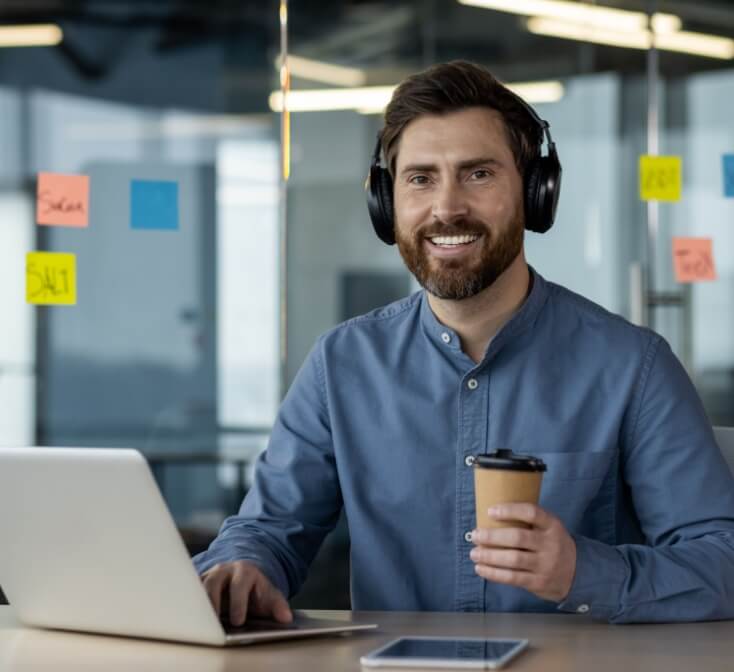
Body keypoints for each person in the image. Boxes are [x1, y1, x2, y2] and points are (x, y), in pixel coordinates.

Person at [193, 60, 734, 626]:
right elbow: (268, 529)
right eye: (420, 178)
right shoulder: (342, 364)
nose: (447, 207)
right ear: (387, 202)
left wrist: (583, 572)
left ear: (533, 192)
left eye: (478, 174)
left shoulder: (632, 367)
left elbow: (721, 562)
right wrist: (243, 568)